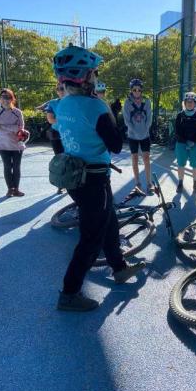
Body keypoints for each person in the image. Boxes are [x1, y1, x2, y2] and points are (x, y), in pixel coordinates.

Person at [52, 44, 145, 312]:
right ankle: (69, 293)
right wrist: (115, 117)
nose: (95, 76)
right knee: (91, 238)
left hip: (75, 177)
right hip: (94, 179)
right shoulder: (95, 107)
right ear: (85, 76)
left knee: (110, 221)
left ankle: (119, 268)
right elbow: (115, 145)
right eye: (93, 72)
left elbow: (61, 138)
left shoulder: (62, 104)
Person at [0, 88, 27, 197]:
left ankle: (16, 189)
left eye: (9, 97)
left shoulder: (17, 112)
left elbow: (21, 128)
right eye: (4, 97)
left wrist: (5, 127)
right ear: (0, 99)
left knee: (16, 167)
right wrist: (13, 128)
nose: (6, 100)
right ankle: (10, 189)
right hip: (3, 146)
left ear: (12, 98)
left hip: (17, 145)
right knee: (7, 166)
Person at [123, 79, 153, 193]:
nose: (137, 91)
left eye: (139, 90)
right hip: (132, 135)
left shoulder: (147, 101)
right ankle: (137, 182)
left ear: (141, 90)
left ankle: (149, 182)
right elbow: (127, 120)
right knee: (134, 158)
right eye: (134, 90)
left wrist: (145, 130)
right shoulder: (127, 102)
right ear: (131, 90)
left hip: (145, 134)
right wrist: (134, 132)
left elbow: (149, 117)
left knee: (146, 158)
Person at [174, 92, 196, 194]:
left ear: (195, 103)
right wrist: (185, 141)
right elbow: (177, 131)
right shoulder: (180, 115)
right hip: (181, 143)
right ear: (185, 103)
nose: (190, 103)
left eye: (192, 102)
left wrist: (193, 141)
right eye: (188, 102)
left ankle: (195, 184)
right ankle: (180, 183)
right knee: (180, 164)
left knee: (195, 165)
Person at [45, 82, 66, 193]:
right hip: (57, 134)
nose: (61, 91)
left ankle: (73, 181)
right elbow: (50, 119)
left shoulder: (73, 102)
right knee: (59, 159)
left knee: (73, 158)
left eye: (62, 88)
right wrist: (67, 120)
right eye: (58, 89)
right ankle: (60, 184)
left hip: (71, 134)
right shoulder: (52, 103)